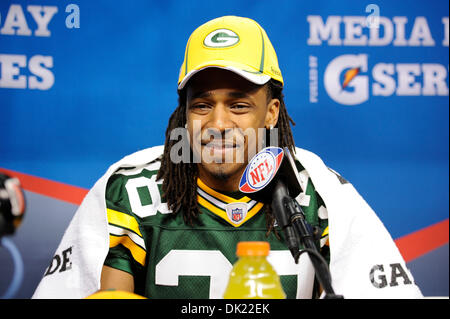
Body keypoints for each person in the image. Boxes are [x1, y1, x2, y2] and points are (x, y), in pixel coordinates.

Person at [32, 16, 423, 299]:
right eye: (202, 105)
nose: (218, 123)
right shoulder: (129, 188)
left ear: (271, 113)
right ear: (183, 112)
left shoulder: (321, 192)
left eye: (238, 105)